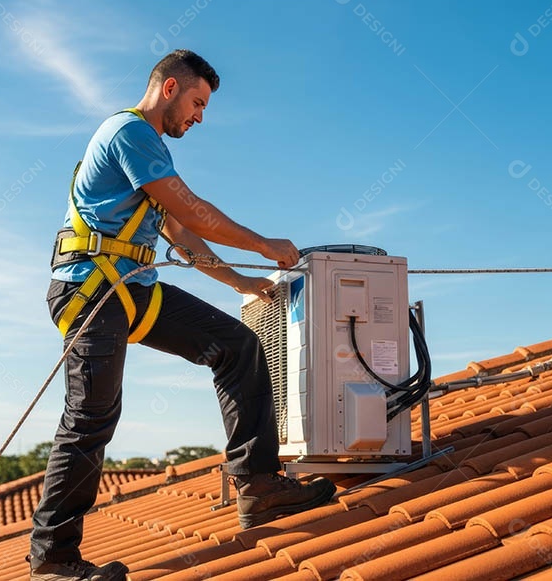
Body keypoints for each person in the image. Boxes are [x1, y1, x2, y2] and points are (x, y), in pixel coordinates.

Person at [28, 49, 336, 581]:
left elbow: (183, 234)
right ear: (169, 88)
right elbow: (194, 210)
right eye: (197, 103)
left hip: (132, 290)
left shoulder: (149, 156)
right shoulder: (129, 133)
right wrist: (264, 245)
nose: (199, 117)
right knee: (92, 415)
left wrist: (240, 282)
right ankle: (52, 559)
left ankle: (260, 487)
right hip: (91, 289)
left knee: (237, 346)